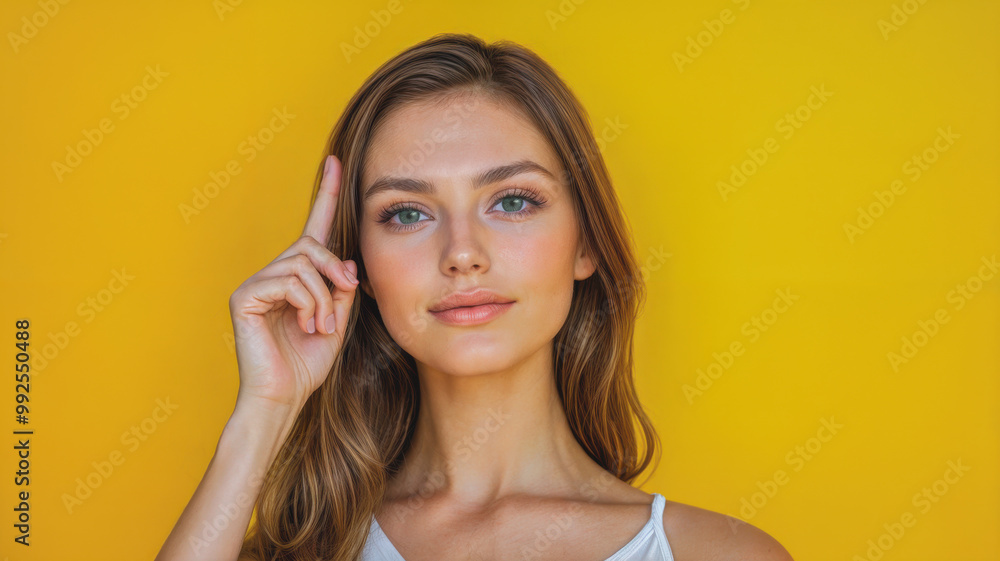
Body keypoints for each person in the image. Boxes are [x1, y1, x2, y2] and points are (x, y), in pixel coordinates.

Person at [155, 33, 794, 561]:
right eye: (407, 214)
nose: (462, 252)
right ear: (361, 269)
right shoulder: (302, 550)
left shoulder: (719, 553)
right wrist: (265, 410)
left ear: (585, 244)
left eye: (513, 201)